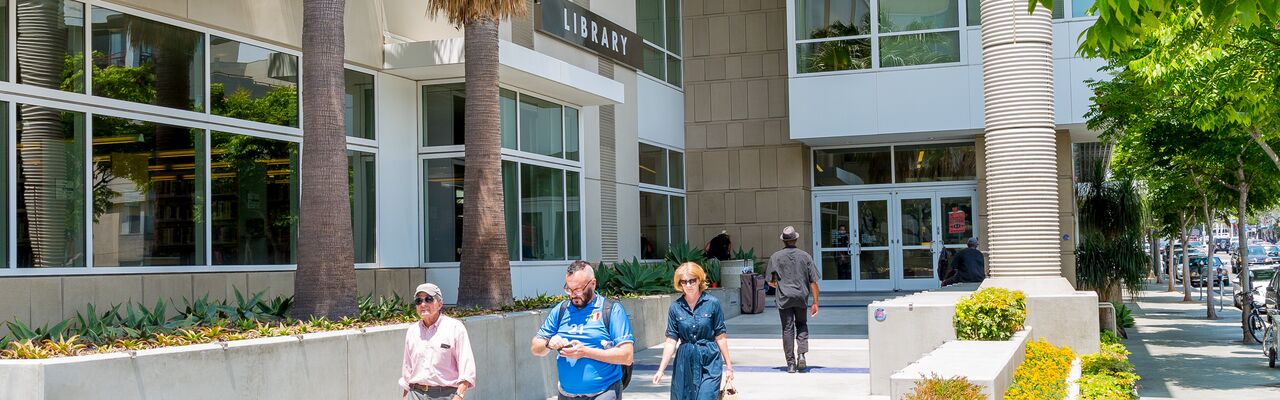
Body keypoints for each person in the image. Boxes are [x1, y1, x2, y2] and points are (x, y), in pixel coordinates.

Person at [531, 261, 636, 400]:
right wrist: (548, 343)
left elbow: (627, 356)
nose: (573, 295)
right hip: (566, 394)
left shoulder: (611, 310)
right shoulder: (561, 310)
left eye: (578, 289)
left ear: (593, 284)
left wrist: (585, 352)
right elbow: (535, 347)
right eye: (569, 289)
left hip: (604, 392)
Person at [651, 262, 736, 400]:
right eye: (684, 282)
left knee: (706, 396)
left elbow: (720, 336)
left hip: (710, 358)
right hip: (685, 360)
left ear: (699, 280)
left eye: (692, 281)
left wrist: (729, 366)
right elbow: (671, 340)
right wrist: (661, 369)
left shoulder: (712, 303)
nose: (688, 285)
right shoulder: (675, 307)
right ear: (680, 284)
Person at [399, 283, 476, 400]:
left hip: (445, 395)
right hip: (415, 394)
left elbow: (467, 368)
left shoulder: (455, 328)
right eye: (418, 301)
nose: (423, 304)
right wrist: (405, 397)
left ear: (440, 304)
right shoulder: (412, 331)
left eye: (428, 299)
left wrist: (459, 396)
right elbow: (407, 369)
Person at [765, 226, 820, 373]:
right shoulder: (805, 256)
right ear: (796, 239)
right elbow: (813, 282)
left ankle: (790, 364)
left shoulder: (775, 257)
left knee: (787, 328)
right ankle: (801, 354)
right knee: (801, 324)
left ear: (784, 241)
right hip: (801, 296)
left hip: (784, 297)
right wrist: (815, 302)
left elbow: (770, 281)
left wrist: (779, 285)